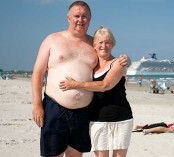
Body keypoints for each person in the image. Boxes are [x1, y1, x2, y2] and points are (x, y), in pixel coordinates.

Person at [31, 1, 130, 157]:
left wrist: (126, 60)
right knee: (52, 154)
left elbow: (110, 62)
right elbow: (38, 73)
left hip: (83, 112)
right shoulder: (52, 40)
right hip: (55, 108)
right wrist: (37, 105)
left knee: (76, 154)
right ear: (69, 18)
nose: (80, 20)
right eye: (77, 16)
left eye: (84, 16)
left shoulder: (95, 44)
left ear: (90, 18)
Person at [59, 26, 133, 157]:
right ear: (94, 45)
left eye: (107, 42)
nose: (104, 46)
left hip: (121, 118)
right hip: (97, 118)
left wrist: (75, 84)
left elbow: (106, 85)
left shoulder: (118, 63)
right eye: (100, 42)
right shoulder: (91, 66)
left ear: (113, 44)